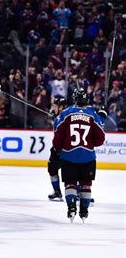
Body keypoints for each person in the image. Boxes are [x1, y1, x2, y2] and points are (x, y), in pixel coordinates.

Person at [52, 88, 105, 222]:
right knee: (86, 184)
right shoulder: (93, 114)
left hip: (68, 156)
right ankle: (84, 210)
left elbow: (58, 135)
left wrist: (57, 149)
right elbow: (100, 139)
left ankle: (71, 208)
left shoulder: (65, 113)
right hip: (88, 157)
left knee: (70, 183)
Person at [47, 95, 67, 201]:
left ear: (61, 107)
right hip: (63, 148)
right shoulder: (64, 115)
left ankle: (58, 192)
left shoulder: (62, 117)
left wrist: (56, 117)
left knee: (69, 172)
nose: (54, 107)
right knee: (53, 169)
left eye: (55, 105)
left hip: (61, 149)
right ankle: (58, 192)